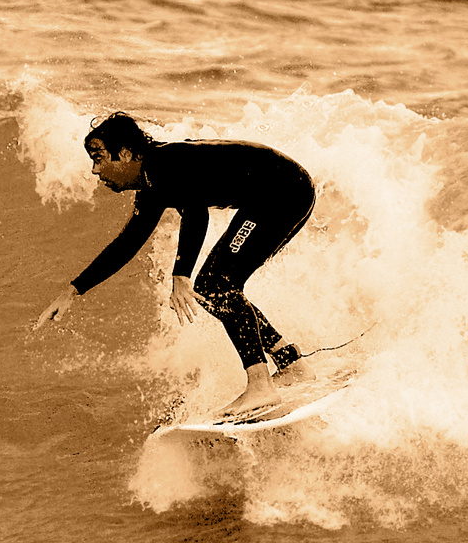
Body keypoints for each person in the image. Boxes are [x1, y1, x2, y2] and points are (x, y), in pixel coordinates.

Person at [32, 112, 314, 417]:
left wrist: (181, 275)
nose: (95, 170)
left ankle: (261, 388)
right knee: (214, 286)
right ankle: (290, 361)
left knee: (217, 285)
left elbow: (196, 213)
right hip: (280, 193)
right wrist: (73, 291)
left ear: (125, 153)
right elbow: (126, 244)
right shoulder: (153, 183)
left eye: (99, 158)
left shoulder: (164, 164)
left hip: (282, 191)